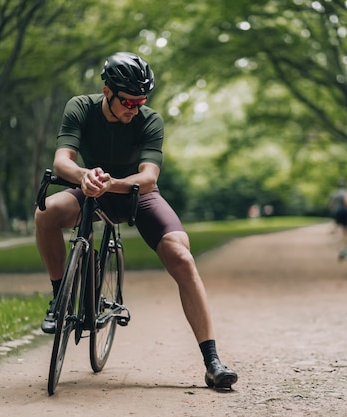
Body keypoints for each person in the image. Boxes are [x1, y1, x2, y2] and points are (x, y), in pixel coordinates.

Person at [34, 52, 237, 389]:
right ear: (107, 91)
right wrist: (85, 176)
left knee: (182, 257)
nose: (133, 108)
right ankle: (60, 298)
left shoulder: (150, 120)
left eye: (140, 101)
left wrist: (113, 183)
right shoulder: (80, 108)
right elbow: (61, 162)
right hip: (91, 187)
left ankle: (212, 361)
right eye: (127, 101)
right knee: (45, 213)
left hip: (135, 194)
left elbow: (149, 177)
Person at [329, 179, 347, 260]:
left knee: (339, 231)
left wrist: (334, 212)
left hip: (337, 212)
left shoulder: (334, 194)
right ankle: (346, 251)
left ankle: (340, 250)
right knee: (346, 232)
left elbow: (330, 205)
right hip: (344, 212)